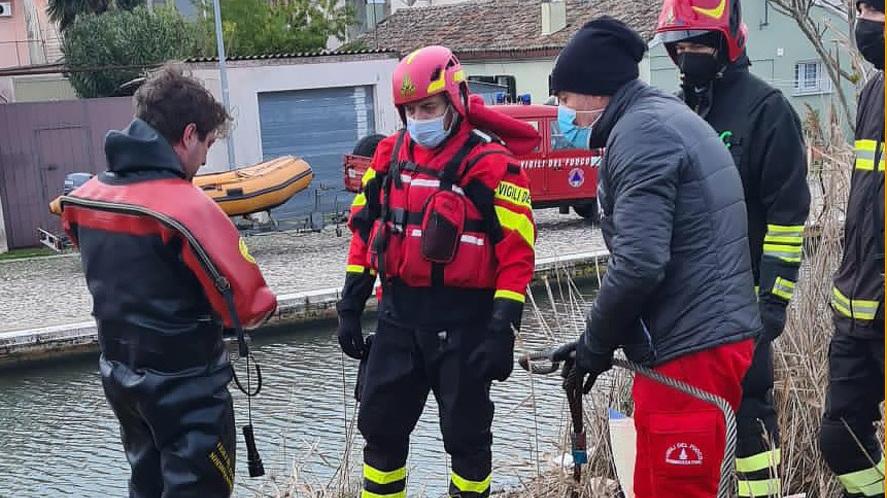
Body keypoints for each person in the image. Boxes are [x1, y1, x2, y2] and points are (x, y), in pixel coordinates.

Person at [549, 17, 762, 498]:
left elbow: (641, 261)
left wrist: (597, 344)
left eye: (564, 100)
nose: (560, 112)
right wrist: (592, 340)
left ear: (595, 90)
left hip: (690, 348)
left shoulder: (642, 134)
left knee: (678, 489)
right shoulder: (660, 117)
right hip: (690, 339)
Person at [59, 66, 277, 498]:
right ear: (189, 134)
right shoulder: (187, 208)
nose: (206, 159)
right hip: (188, 390)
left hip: (122, 380)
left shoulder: (83, 200)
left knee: (147, 486)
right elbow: (253, 306)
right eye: (208, 144)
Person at [336, 45, 540, 497]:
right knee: (381, 434)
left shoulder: (492, 165)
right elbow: (364, 229)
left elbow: (517, 256)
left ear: (455, 100)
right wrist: (350, 303)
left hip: (464, 325)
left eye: (428, 107)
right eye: (410, 110)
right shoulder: (388, 157)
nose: (419, 118)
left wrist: (502, 328)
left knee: (468, 441)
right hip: (397, 320)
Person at [653, 1, 811, 495]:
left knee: (752, 422)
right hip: (684, 312)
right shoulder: (673, 112)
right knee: (689, 429)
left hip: (745, 306)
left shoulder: (767, 111)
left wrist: (772, 304)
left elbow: (787, 220)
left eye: (700, 43)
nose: (688, 54)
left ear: (728, 41)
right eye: (680, 46)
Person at [819, 2, 885, 497]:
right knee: (840, 441)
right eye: (863, 8)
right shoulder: (874, 93)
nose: (868, 21)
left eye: (879, 9)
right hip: (856, 310)